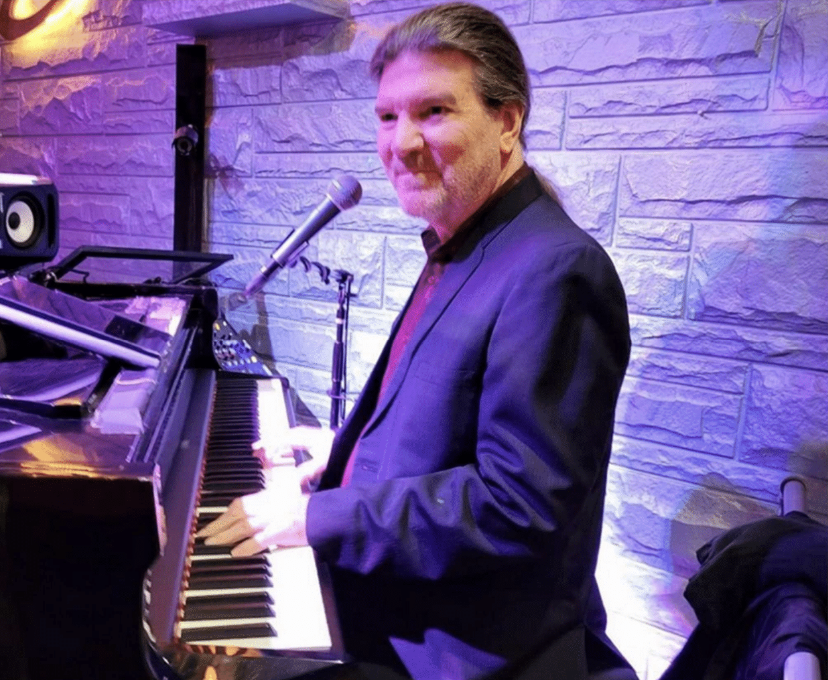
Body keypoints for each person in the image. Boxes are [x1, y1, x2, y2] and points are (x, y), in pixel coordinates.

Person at [199, 4, 635, 678]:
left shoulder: (556, 270)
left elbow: (516, 505)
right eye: (387, 116)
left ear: (507, 120)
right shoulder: (467, 243)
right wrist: (346, 453)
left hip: (447, 653)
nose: (400, 143)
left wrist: (318, 517)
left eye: (433, 111)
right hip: (409, 617)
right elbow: (455, 427)